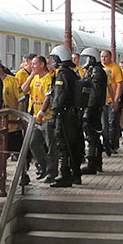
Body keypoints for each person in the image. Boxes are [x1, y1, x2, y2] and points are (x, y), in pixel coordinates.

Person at [40, 46, 82, 187]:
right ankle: (76, 174)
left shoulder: (61, 75)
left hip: (64, 115)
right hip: (73, 114)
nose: (52, 61)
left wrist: (54, 113)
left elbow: (59, 96)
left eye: (54, 58)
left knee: (63, 145)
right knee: (74, 145)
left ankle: (65, 175)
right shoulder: (72, 73)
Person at [22, 55, 55, 181]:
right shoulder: (34, 77)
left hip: (46, 117)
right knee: (33, 144)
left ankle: (52, 172)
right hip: (35, 118)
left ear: (42, 65)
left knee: (50, 146)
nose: (32, 66)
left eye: (35, 64)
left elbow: (48, 98)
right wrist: (31, 76)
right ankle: (45, 166)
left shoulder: (48, 78)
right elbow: (23, 90)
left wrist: (41, 113)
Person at [77, 48, 106, 175]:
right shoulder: (94, 71)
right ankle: (97, 163)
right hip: (93, 107)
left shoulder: (97, 72)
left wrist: (88, 109)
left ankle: (92, 165)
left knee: (91, 136)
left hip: (92, 108)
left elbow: (94, 93)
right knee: (93, 136)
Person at [100, 49, 123, 155]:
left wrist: (116, 99)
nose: (103, 59)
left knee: (112, 123)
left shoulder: (115, 68)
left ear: (110, 57)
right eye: (102, 56)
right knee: (104, 125)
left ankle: (113, 145)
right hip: (102, 100)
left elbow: (119, 85)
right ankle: (106, 144)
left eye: (105, 56)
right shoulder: (100, 68)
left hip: (111, 100)